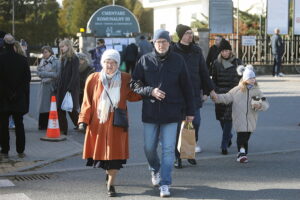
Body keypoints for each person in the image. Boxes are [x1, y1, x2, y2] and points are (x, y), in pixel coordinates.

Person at [131, 29, 195, 198]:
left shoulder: (178, 61)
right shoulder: (144, 60)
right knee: (149, 148)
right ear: (153, 43)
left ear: (169, 43)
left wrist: (190, 111)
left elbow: (188, 87)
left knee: (168, 150)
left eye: (164, 42)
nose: (161, 45)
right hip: (150, 113)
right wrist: (150, 91)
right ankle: (155, 169)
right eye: (158, 42)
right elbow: (134, 85)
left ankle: (165, 183)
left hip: (172, 112)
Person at [78, 49, 141, 197]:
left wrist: (142, 87)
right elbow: (87, 102)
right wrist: (83, 121)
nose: (110, 65)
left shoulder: (126, 78)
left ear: (118, 64)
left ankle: (111, 185)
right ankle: (108, 175)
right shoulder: (93, 78)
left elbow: (133, 96)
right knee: (103, 159)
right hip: (98, 125)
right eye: (107, 62)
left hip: (117, 125)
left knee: (115, 158)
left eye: (113, 63)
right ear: (102, 63)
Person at [173, 24, 216, 168]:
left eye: (191, 33)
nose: (190, 35)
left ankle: (189, 152)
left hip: (193, 94)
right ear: (180, 36)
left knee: (195, 123)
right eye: (186, 33)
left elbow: (203, 72)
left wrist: (209, 90)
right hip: (177, 95)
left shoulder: (197, 50)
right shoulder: (173, 50)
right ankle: (177, 156)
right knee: (179, 127)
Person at [213, 65, 269, 163]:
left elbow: (265, 103)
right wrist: (216, 97)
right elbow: (227, 97)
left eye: (253, 78)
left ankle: (243, 154)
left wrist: (260, 106)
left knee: (246, 136)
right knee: (241, 135)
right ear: (245, 79)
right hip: (239, 117)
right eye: (250, 78)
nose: (252, 80)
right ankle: (241, 153)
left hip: (251, 118)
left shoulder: (257, 91)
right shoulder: (237, 90)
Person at [0, 34, 31, 159]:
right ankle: (20, 150)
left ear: (4, 45)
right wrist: (16, 92)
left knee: (3, 125)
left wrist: (7, 91)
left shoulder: (0, 59)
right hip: (18, 97)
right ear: (14, 44)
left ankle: (5, 150)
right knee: (19, 124)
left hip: (3, 97)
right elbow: (27, 79)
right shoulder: (22, 60)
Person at [211, 39, 243, 155]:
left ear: (230, 51)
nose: (225, 53)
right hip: (219, 95)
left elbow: (242, 79)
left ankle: (223, 145)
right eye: (223, 51)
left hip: (233, 94)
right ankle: (228, 136)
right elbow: (213, 79)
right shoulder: (216, 63)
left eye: (227, 50)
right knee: (221, 119)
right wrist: (214, 91)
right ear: (220, 52)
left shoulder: (238, 62)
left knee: (228, 119)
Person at [56, 39, 80, 135]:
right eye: (60, 47)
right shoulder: (62, 58)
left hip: (70, 87)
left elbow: (75, 75)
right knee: (60, 109)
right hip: (61, 87)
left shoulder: (74, 58)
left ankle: (80, 125)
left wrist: (70, 88)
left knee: (71, 109)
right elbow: (60, 74)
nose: (61, 48)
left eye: (63, 46)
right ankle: (63, 129)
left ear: (68, 46)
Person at [36, 46, 60, 130]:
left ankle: (50, 124)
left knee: (51, 106)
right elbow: (38, 72)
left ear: (50, 52)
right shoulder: (42, 61)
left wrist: (44, 73)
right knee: (42, 106)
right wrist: (48, 74)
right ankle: (42, 125)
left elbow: (57, 74)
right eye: (43, 52)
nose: (44, 54)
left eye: (46, 52)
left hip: (51, 86)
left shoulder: (56, 61)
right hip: (43, 85)